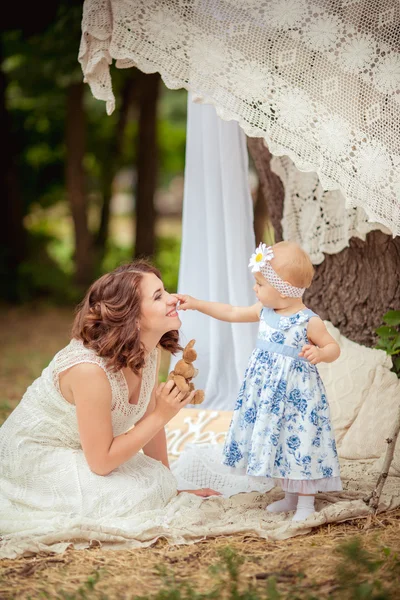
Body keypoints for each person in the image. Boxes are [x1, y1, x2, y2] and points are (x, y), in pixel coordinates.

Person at [0, 261, 218, 556]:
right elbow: (102, 463)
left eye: (164, 290)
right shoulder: (89, 370)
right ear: (133, 318)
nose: (172, 298)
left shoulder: (147, 349)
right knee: (124, 499)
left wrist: (169, 484)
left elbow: (150, 418)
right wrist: (161, 415)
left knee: (151, 484)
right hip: (36, 455)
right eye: (158, 296)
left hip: (86, 451)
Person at [176, 241, 342, 521]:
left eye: (260, 283)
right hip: (266, 396)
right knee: (278, 441)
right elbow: (230, 312)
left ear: (284, 288)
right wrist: (196, 304)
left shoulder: (308, 322)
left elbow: (333, 348)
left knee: (299, 440)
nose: (255, 288)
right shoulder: (263, 312)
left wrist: (320, 352)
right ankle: (289, 497)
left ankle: (305, 503)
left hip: (297, 397)